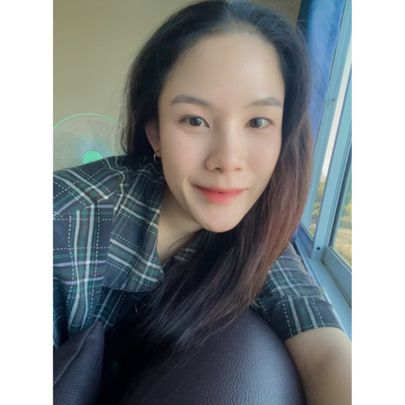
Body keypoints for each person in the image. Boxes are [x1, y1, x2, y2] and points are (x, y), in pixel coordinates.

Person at [53, 1, 351, 404]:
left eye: (258, 122)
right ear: (155, 132)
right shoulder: (65, 223)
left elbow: (323, 345)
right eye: (195, 120)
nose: (227, 159)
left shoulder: (257, 231)